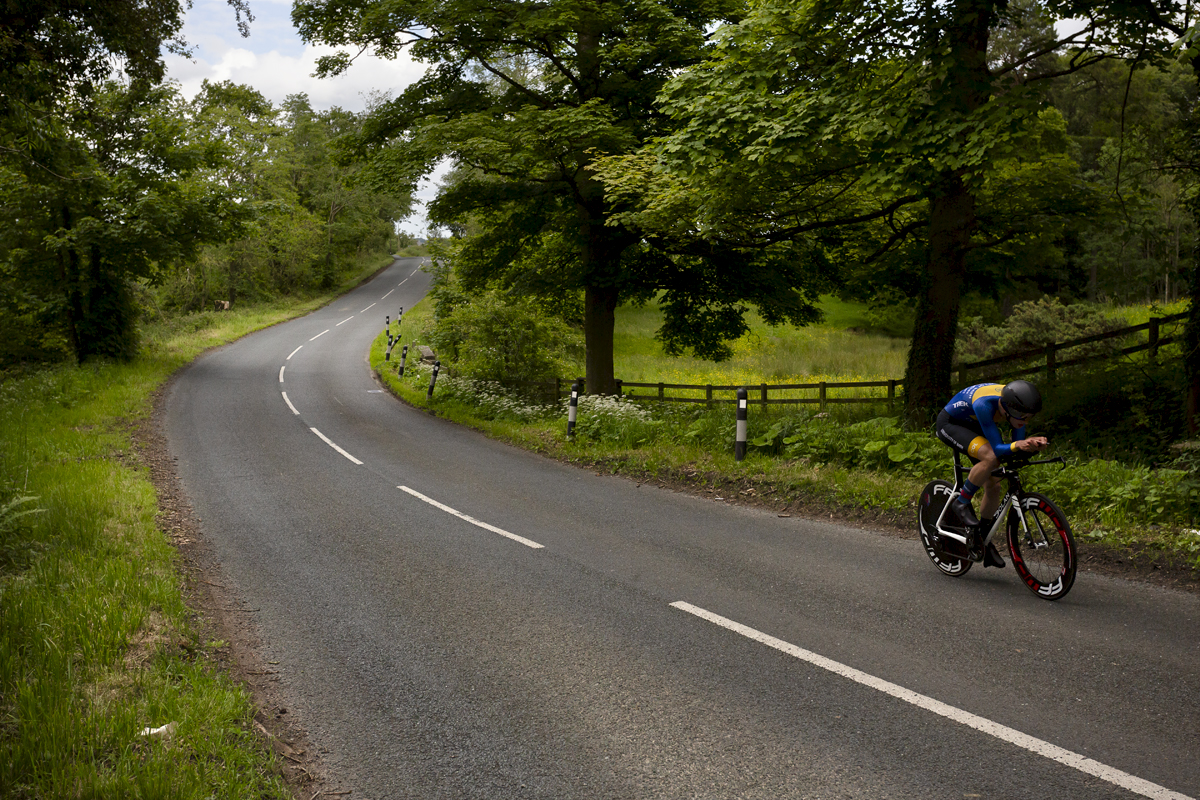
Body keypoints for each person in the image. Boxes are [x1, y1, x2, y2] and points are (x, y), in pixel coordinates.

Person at [935, 380, 1049, 568]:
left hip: (975, 423)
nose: (1025, 421)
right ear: (1006, 408)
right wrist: (1017, 445)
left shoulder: (1016, 408)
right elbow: (997, 449)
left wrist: (1031, 446)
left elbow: (1015, 451)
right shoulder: (985, 404)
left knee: (994, 484)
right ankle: (961, 503)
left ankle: (982, 539)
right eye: (1022, 416)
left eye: (1030, 417)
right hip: (951, 423)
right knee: (990, 458)